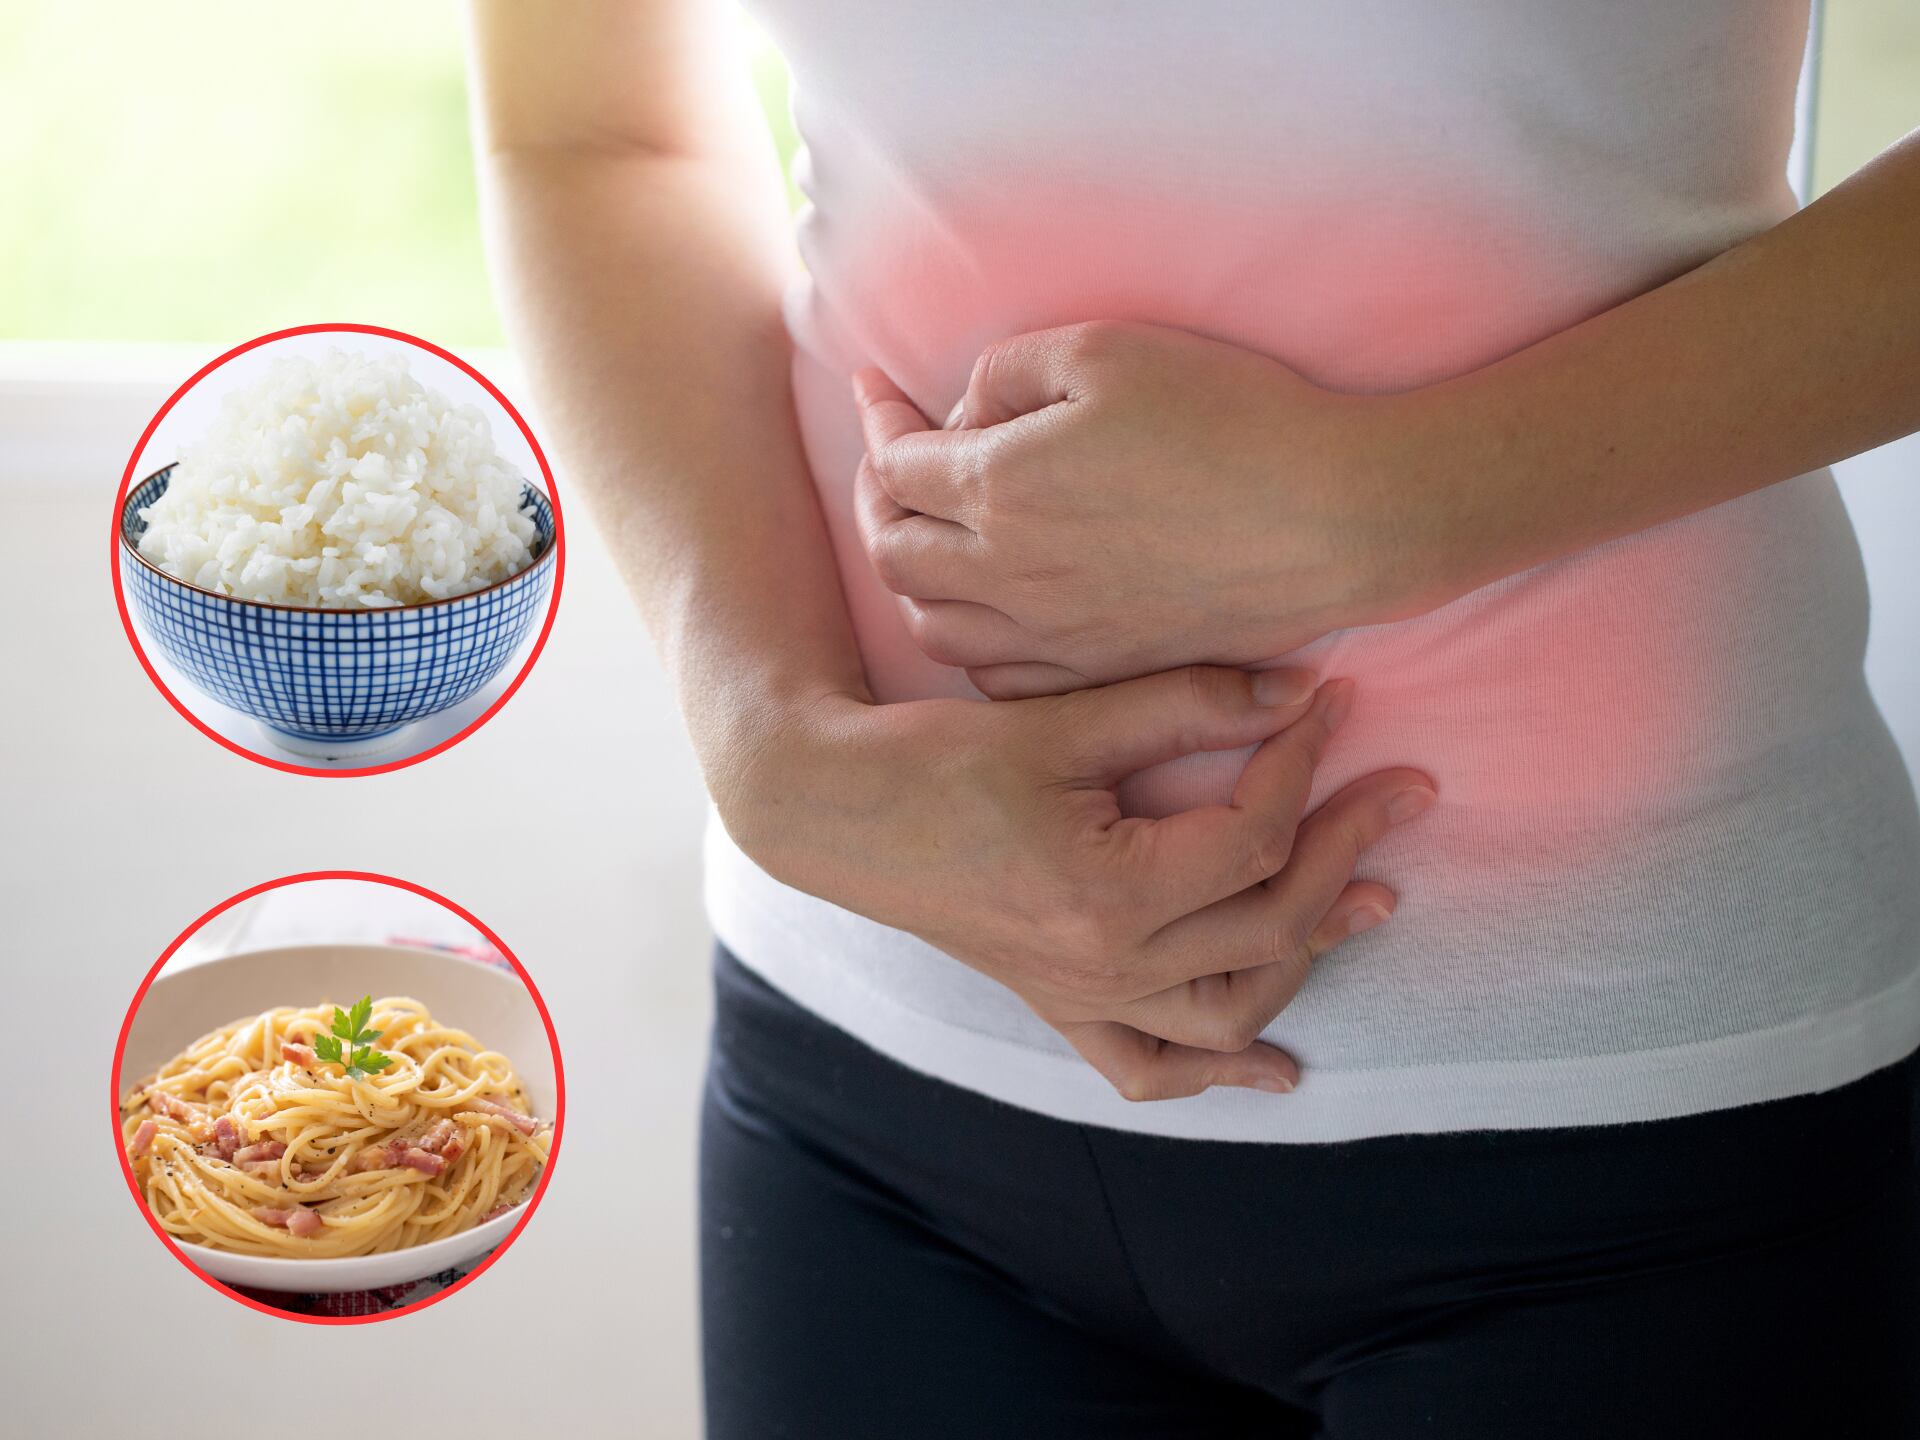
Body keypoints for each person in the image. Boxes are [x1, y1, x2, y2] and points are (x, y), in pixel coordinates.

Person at [465, 2, 1920, 1434]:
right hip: (874, 1114)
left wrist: (1389, 510)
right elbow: (596, 132)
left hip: (1638, 1142)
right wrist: (768, 741)